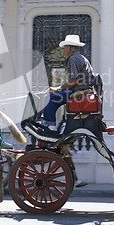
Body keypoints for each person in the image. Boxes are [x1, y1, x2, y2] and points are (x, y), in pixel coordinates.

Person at [42, 34, 94, 187]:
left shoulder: (73, 59)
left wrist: (57, 88)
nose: (63, 49)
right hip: (82, 91)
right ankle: (75, 179)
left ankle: (49, 127)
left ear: (70, 48)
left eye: (65, 46)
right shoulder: (80, 58)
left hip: (79, 91)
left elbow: (74, 81)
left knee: (51, 99)